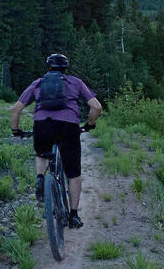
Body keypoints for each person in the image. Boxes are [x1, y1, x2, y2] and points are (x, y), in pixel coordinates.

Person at [10, 53, 102, 229]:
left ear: (48, 67)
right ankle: (73, 215)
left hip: (42, 125)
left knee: (42, 152)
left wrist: (16, 130)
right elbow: (96, 107)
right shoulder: (75, 82)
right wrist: (89, 124)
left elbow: (16, 109)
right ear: (65, 68)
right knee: (73, 174)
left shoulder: (38, 83)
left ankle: (40, 178)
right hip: (68, 127)